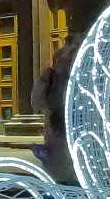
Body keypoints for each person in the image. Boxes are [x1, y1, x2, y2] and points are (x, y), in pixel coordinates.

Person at [30, 35, 82, 186]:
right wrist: (45, 79)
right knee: (62, 181)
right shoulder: (52, 77)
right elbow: (36, 102)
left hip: (76, 133)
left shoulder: (84, 76)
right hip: (58, 133)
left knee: (68, 181)